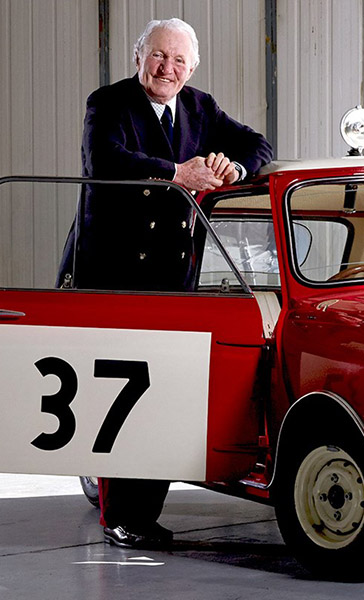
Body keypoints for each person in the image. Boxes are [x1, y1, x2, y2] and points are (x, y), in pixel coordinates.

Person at [59, 17, 273, 549]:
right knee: (119, 393)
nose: (167, 69)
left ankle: (143, 514)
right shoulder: (106, 104)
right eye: (158, 56)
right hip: (113, 277)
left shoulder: (201, 107)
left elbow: (259, 145)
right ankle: (118, 516)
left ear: (192, 67)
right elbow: (107, 161)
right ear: (139, 57)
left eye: (179, 60)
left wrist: (233, 168)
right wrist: (178, 173)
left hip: (174, 280)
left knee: (159, 395)